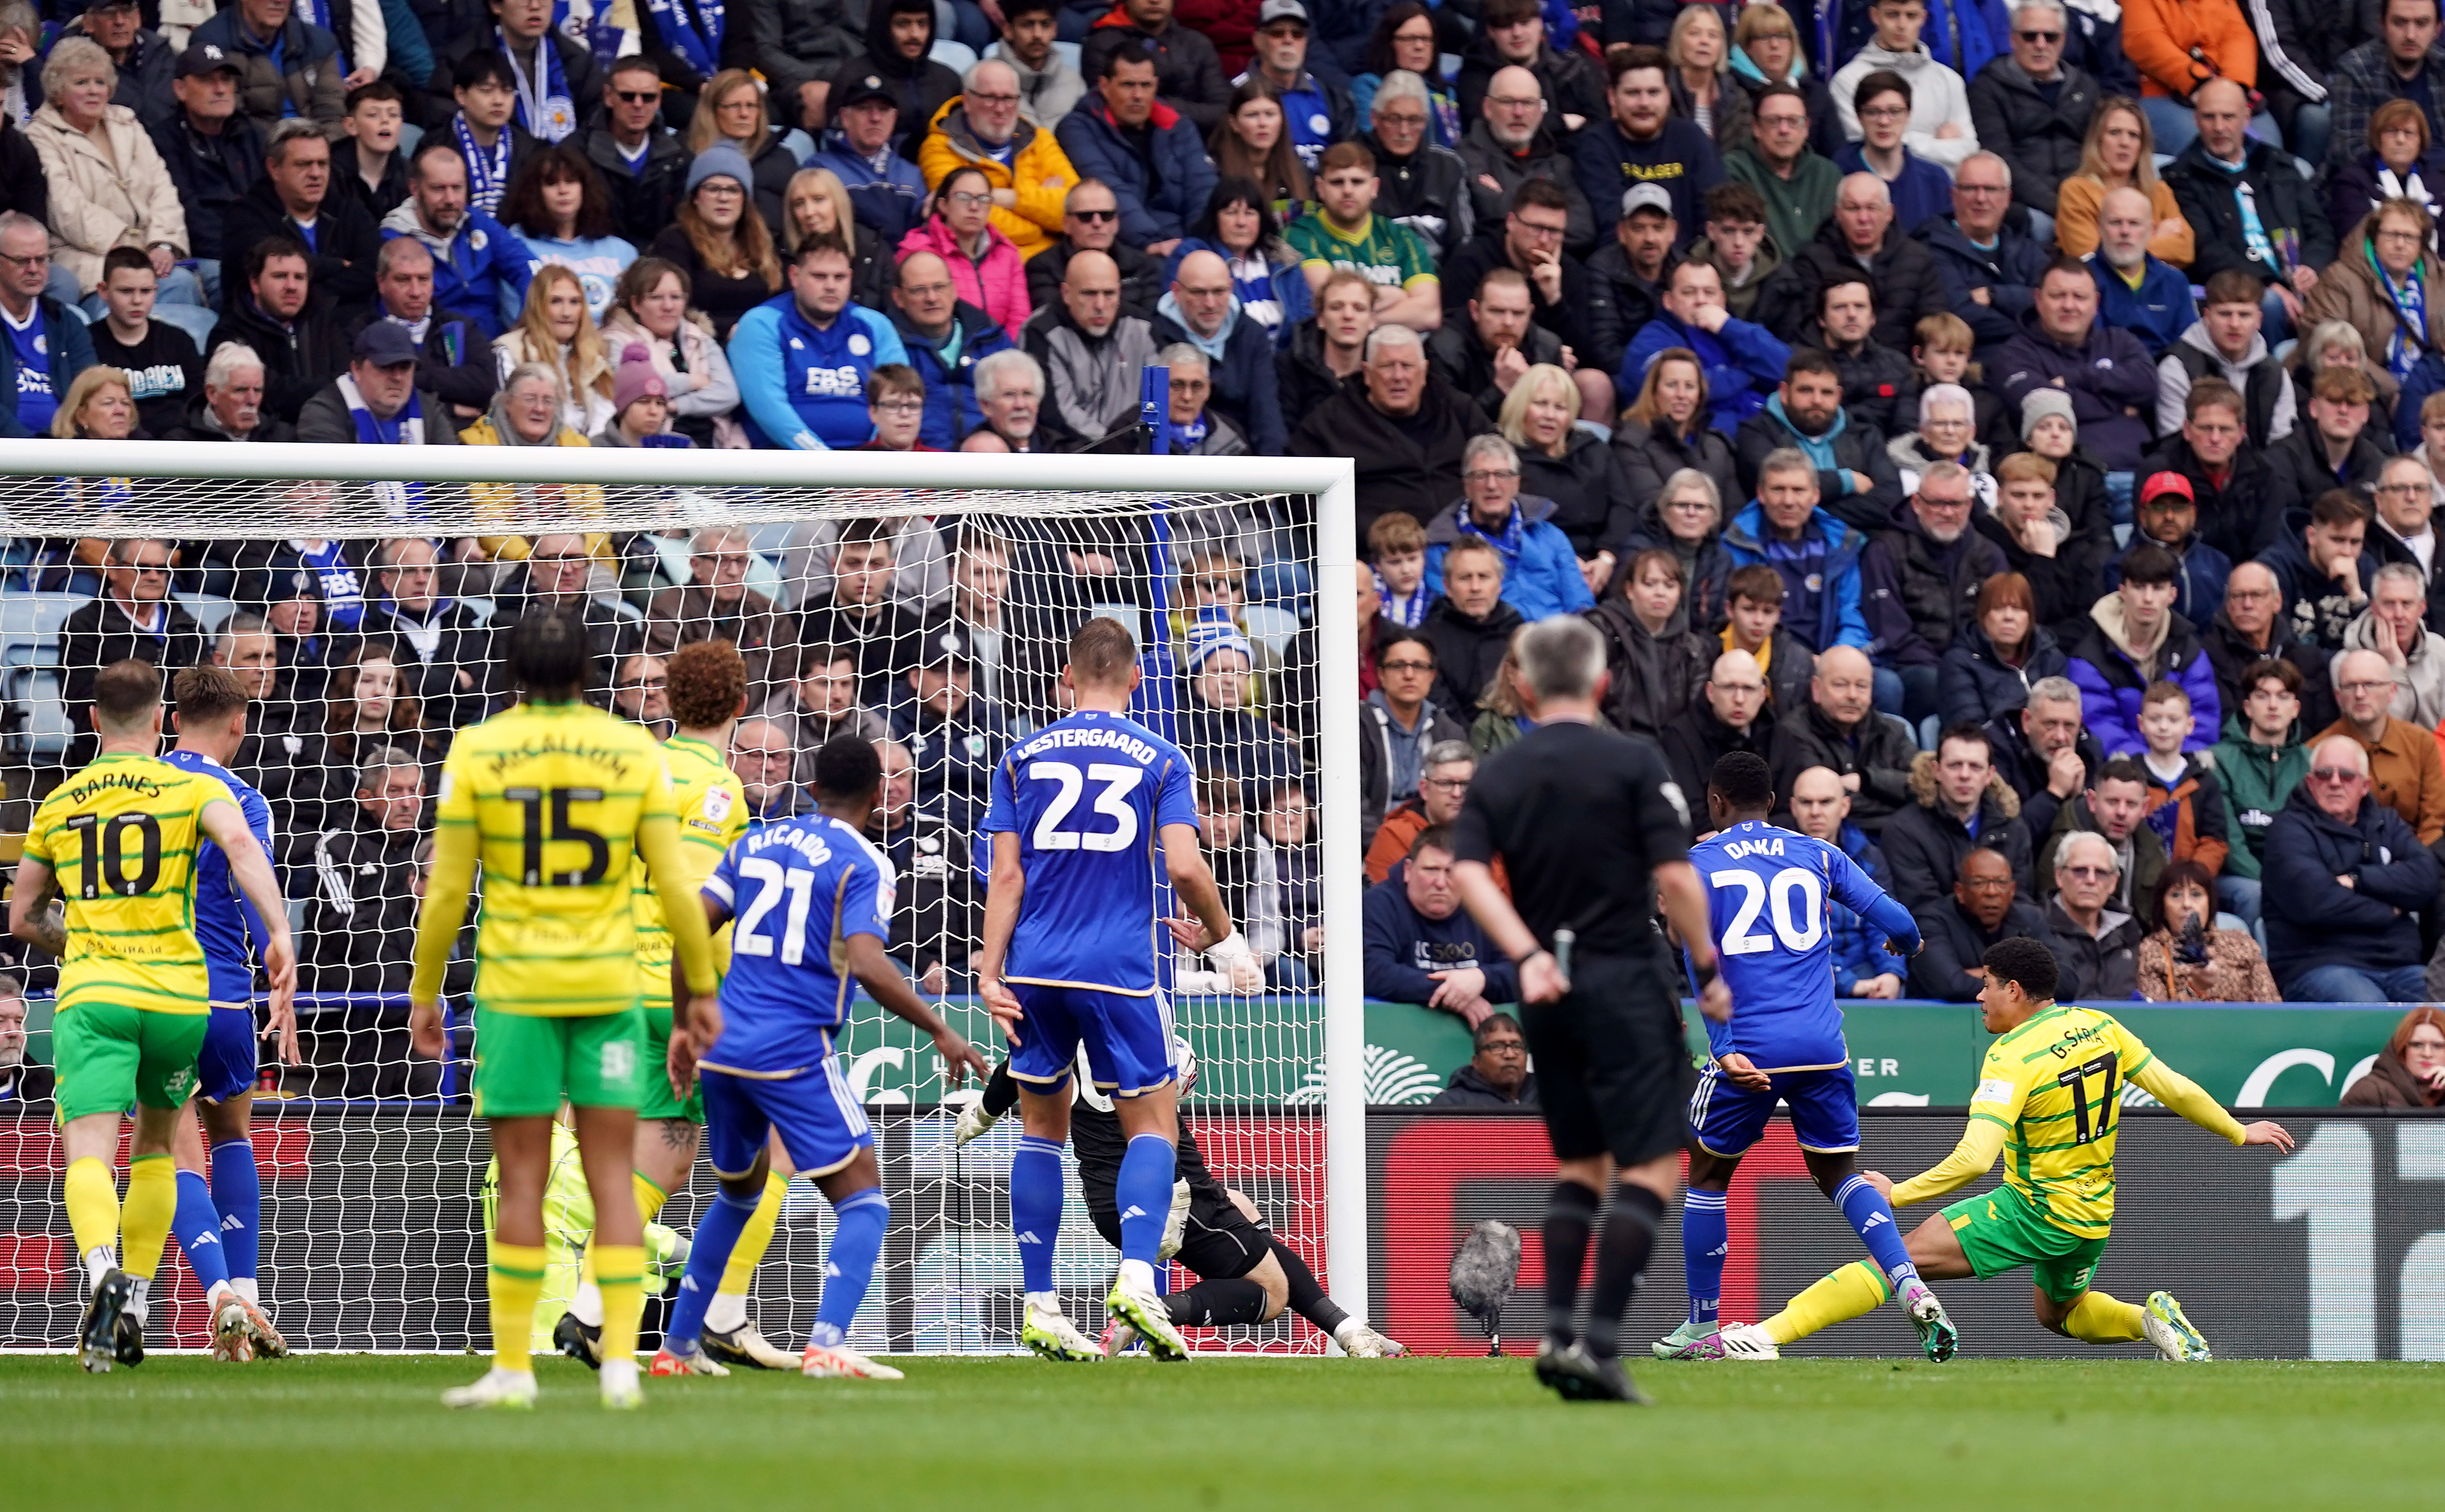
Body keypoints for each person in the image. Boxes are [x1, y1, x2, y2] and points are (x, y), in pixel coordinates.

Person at [403, 608, 721, 1410]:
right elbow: (677, 886)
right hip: (610, 988)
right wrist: (701, 995)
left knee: (522, 1181)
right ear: (590, 675)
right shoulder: (630, 751)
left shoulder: (477, 749)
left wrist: (425, 987)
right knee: (615, 1176)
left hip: (516, 992)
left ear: (511, 673)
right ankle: (618, 1362)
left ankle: (513, 1367)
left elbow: (446, 889)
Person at [1724, 936, 2292, 1361]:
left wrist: (1898, 1192)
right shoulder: (2100, 1024)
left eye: (1988, 983)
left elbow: (1975, 1159)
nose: (1980, 994)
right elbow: (2176, 1087)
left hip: (2036, 1208)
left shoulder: (2011, 1057)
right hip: (2092, 1214)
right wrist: (2239, 1130)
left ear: (2014, 990)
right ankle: (2151, 1322)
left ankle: (1765, 1335)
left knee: (1895, 1259)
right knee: (2059, 1313)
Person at [1444, 614, 1724, 1403]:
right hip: (1628, 981)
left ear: (1524, 687)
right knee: (1654, 1165)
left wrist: (1526, 955)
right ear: (1603, 684)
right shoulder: (1635, 762)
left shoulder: (1500, 771)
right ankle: (1597, 1340)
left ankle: (1559, 1333)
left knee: (1581, 1167)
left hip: (1550, 990)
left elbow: (1467, 876)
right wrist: (1706, 966)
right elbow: (1677, 879)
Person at [969, 616, 1258, 1362]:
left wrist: (989, 969)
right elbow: (1186, 867)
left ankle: (1040, 1304)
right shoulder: (1162, 758)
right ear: (1136, 679)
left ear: (1067, 678)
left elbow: (1006, 876)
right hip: (1119, 969)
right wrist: (1227, 940)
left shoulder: (1020, 756)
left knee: (1040, 1130)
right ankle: (1136, 1275)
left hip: (1034, 965)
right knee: (1153, 1127)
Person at [8, 658, 295, 1373]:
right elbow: (241, 847)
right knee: (161, 1150)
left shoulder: (61, 801)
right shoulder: (193, 786)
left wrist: (83, 936)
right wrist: (279, 931)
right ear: (159, 713)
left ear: (95, 719)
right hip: (179, 994)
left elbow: (23, 915)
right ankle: (137, 1302)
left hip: (99, 992)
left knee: (91, 1151)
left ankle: (106, 1271)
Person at [1656, 749, 1941, 1363]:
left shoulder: (1695, 864)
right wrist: (1907, 943)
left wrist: (1724, 1047)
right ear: (1776, 800)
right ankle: (1908, 1280)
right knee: (1840, 1173)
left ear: (1715, 802)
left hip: (1751, 1045)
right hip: (1821, 1045)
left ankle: (1702, 1327)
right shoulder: (1817, 851)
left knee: (1707, 1175)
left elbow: (1695, 959)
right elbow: (1897, 918)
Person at [2262, 734, 2441, 999]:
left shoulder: (2388, 823)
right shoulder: (2288, 830)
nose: (2335, 782)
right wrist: (2391, 909)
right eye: (2324, 774)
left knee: (2438, 1007)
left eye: (2346, 775)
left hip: (2399, 965)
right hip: (2320, 965)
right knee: (2370, 1008)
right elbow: (2316, 902)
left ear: (2365, 786)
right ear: (2310, 782)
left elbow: (2426, 878)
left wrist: (2359, 879)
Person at [2166, 79, 2336, 342]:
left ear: (2247, 118)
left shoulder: (2278, 164)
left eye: (2228, 117)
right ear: (2196, 120)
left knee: (2347, 297)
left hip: (2298, 278)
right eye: (2209, 117)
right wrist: (2269, 283)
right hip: (2239, 288)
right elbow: (2206, 250)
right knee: (2267, 304)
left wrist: (2312, 268)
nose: (2219, 127)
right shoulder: (2181, 177)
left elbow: (2320, 229)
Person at [1290, 323, 1492, 545]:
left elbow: (1502, 463)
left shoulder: (1457, 408)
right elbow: (1297, 496)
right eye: (1387, 366)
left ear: (1424, 372)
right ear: (1367, 374)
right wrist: (1346, 547)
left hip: (1465, 547)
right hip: (1376, 557)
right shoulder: (1330, 422)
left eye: (1407, 366)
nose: (1398, 376)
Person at [729, 237, 908, 451]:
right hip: (785, 466)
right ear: (795, 277)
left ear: (850, 278)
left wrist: (872, 452)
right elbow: (768, 408)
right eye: (819, 277)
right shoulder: (761, 324)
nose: (831, 286)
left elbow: (899, 399)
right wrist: (823, 462)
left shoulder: (876, 326)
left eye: (839, 277)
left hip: (869, 464)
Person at [1756, 174, 1950, 361]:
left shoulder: (1917, 258)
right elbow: (1806, 328)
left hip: (1902, 371)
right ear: (1837, 213)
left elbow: (1932, 324)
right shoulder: (1812, 260)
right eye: (1853, 209)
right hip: (1832, 369)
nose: (1863, 219)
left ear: (1889, 213)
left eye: (1872, 208)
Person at [1056, 44, 1217, 257]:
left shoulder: (1179, 126)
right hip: (1122, 245)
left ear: (1156, 86)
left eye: (1146, 85)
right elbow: (1111, 190)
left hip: (1184, 242)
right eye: (1128, 85)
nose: (1138, 95)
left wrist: (1197, 245)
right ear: (1105, 86)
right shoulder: (1078, 128)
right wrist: (1152, 243)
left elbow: (1203, 188)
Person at [1997, 256, 2156, 470]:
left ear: (2096, 303)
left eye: (2080, 297)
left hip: (2141, 474)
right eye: (2058, 296)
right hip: (2072, 480)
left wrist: (2078, 379)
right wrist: (2119, 404)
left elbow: (2148, 385)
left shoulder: (2119, 341)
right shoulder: (2015, 354)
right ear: (2038, 299)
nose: (2069, 306)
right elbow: (2042, 409)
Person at [1717, 447, 1873, 658]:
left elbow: (1852, 616)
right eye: (1778, 490)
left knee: (1886, 685)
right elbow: (1732, 619)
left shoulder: (1840, 544)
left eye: (1798, 490)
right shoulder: (1737, 544)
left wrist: (1835, 659)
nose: (1788, 502)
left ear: (1815, 495)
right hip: (1763, 660)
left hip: (1829, 661)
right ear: (1761, 494)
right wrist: (1798, 663)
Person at [222, 118, 382, 323]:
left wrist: (313, 292)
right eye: (304, 164)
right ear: (274, 168)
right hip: (267, 333)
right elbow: (265, 270)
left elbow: (374, 271)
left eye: (323, 164)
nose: (316, 174)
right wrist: (339, 265)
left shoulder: (350, 211)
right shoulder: (244, 216)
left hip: (348, 327)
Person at [917, 59, 1076, 263]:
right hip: (989, 265)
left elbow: (1077, 208)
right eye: (990, 98)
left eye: (1009, 99)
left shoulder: (1040, 139)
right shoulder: (940, 147)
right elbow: (967, 216)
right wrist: (1039, 225)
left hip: (1058, 264)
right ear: (967, 101)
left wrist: (1008, 199)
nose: (1001, 109)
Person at [1362, 823, 1520, 1024]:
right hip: (1396, 1029)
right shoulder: (1380, 903)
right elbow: (1373, 971)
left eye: (1451, 871)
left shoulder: (1485, 904)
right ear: (1408, 870)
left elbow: (1523, 970)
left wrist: (1481, 979)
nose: (1440, 883)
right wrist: (1454, 993)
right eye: (1431, 870)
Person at [381, 141, 537, 341]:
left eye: (457, 188)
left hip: (495, 341)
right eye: (438, 189)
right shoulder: (396, 238)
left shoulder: (475, 221)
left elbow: (527, 266)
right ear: (415, 189)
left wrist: (526, 323)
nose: (450, 199)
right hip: (437, 346)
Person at [1966, 0, 2101, 229]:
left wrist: (2087, 200)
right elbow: (2001, 161)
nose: (2041, 45)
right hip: (2027, 202)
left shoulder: (2085, 87)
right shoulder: (1988, 86)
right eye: (2030, 36)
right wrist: (2061, 207)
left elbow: (2099, 152)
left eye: (2051, 37)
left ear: (2063, 40)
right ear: (2013, 39)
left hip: (2085, 195)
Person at [1284, 140, 1440, 332]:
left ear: (1374, 188)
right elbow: (1331, 301)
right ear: (1320, 188)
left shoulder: (1401, 237)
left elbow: (1429, 314)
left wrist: (1361, 320)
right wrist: (1397, 296)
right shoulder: (1300, 234)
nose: (1348, 191)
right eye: (1337, 182)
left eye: (1357, 182)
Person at [146, 42, 264, 292]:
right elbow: (187, 211)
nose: (221, 89)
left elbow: (269, 200)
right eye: (207, 81)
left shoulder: (252, 133)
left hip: (261, 248)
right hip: (208, 254)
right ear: (180, 89)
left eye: (226, 80)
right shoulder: (163, 140)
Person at [1881, 723, 2035, 907]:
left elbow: (2021, 902)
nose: (1964, 775)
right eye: (1955, 765)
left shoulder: (2013, 828)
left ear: (1990, 775)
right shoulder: (1904, 831)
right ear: (1937, 771)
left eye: (1975, 767)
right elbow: (1923, 908)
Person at [640, 146, 781, 344]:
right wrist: (731, 331)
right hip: (699, 346)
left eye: (733, 190)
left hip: (761, 345)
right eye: (713, 188)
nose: (723, 198)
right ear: (696, 198)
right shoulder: (675, 243)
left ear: (745, 200)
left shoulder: (763, 245)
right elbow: (671, 309)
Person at [1022, 247, 1159, 450]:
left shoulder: (1142, 327)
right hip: (1071, 456)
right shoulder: (1041, 332)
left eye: (1109, 294)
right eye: (1089, 294)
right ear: (1066, 294)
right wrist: (1113, 446)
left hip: (1136, 452)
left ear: (1120, 292)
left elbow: (1157, 397)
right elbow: (1057, 413)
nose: (1100, 305)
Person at [1773, 644, 1919, 833]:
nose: (1852, 695)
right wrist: (1897, 806)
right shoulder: (1793, 733)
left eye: (1861, 686)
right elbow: (1824, 807)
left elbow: (1923, 786)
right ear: (1816, 689)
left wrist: (1868, 780)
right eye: (1840, 685)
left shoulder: (1893, 731)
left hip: (1893, 839)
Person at [1154, 246, 1285, 452]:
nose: (1210, 303)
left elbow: (1266, 414)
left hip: (1237, 456)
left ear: (1231, 288)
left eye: (1219, 291)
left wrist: (1274, 476)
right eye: (1198, 292)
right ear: (1176, 292)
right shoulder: (1152, 334)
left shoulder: (1252, 335)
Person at [1459, 63, 1595, 256]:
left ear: (1541, 112)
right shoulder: (1464, 158)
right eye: (1507, 102)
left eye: (1528, 103)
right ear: (1488, 108)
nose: (1519, 113)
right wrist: (1552, 224)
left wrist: (1504, 197)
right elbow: (1486, 212)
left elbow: (1584, 229)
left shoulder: (1559, 165)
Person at [2316, 644, 2445, 843]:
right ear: (2338, 697)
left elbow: (2435, 822)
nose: (2360, 694)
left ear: (2392, 691)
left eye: (2370, 684)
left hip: (2419, 860)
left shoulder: (2421, 744)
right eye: (2350, 686)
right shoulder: (2317, 751)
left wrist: (2416, 865)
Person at [2155, 273, 2298, 450]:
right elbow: (2174, 443)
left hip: (2263, 472)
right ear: (2207, 317)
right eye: (2225, 314)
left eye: (2244, 315)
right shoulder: (2176, 366)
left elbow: (2283, 446)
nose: (2235, 324)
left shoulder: (2275, 373)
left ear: (2259, 320)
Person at [184, 0, 345, 142]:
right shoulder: (213, 44)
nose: (278, 1)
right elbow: (231, 120)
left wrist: (320, 153)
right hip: (254, 156)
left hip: (316, 152)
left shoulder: (318, 41)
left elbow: (333, 113)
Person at [83, 250, 200, 436]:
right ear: (103, 291)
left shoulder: (179, 341)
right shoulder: (85, 344)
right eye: (126, 291)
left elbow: (197, 407)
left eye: (146, 291)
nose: (137, 301)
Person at [1723, 81, 1840, 266]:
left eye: (1793, 121)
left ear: (1806, 128)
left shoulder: (1828, 174)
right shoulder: (1733, 170)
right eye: (1773, 121)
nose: (1784, 130)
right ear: (1756, 128)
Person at [1614, 350, 1742, 516]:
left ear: (1699, 395)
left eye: (1689, 386)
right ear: (1654, 392)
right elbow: (1653, 509)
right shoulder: (1632, 443)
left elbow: (1735, 512)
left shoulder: (1717, 446)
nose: (1681, 395)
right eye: (1672, 385)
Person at [2325, 0, 2445, 176]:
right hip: (2375, 185)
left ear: (2438, 29)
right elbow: (2350, 153)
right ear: (2382, 25)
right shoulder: (2356, 70)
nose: (2410, 35)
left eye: (2421, 24)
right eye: (2399, 23)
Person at [295, 321, 463, 445]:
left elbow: (454, 485)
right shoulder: (325, 411)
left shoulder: (428, 409)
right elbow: (337, 486)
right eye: (385, 367)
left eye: (405, 367)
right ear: (356, 369)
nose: (397, 377)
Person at [2137, 859, 2279, 1000]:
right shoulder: (2151, 950)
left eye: (2196, 894)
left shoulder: (2242, 944)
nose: (2187, 904)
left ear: (2210, 903)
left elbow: (2272, 1011)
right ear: (2163, 908)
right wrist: (2195, 989)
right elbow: (2156, 1019)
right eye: (2176, 895)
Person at [2260, 487, 2380, 653]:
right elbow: (2278, 646)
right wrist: (2337, 664)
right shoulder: (2276, 568)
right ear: (2312, 536)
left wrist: (2357, 596)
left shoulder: (2366, 568)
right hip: (2295, 673)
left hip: (2354, 674)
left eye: (2355, 542)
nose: (2347, 552)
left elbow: (2379, 646)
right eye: (2338, 540)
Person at [2107, 471, 2231, 628]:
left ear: (2193, 515)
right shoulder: (2121, 565)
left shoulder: (2219, 562)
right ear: (2143, 517)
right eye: (2159, 508)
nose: (2169, 516)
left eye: (2179, 507)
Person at [1658, 647, 1781, 801]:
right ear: (1710, 692)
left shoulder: (1779, 738)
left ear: (1763, 694)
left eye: (1749, 688)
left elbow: (1788, 810)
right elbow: (1692, 813)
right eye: (1729, 687)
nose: (1739, 699)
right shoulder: (1680, 738)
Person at [2326, 98, 2445, 238]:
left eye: (2408, 133)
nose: (2400, 139)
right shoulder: (2352, 182)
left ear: (2421, 141)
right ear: (2378, 138)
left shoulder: (2438, 185)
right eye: (2392, 131)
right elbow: (2356, 238)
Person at [1364, 736, 1475, 883]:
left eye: (1466, 784)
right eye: (1446, 783)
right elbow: (1383, 900)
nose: (1457, 793)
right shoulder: (1395, 835)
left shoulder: (1489, 833)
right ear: (1424, 789)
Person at [164, 342, 295, 442]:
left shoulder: (284, 439)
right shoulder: (179, 445)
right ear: (212, 394)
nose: (252, 401)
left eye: (258, 390)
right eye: (240, 390)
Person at [991, 0, 1089, 128]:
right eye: (1027, 25)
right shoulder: (983, 80)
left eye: (1045, 25)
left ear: (1054, 30)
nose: (1037, 34)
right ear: (1008, 30)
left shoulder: (1074, 83)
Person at [1427, 1012, 1537, 1107]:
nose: (1510, 1055)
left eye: (1517, 1046)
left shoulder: (1549, 1098)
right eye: (1497, 1047)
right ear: (1477, 1062)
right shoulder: (1451, 1104)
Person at [2341, 1005, 2445, 1104]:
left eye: (2438, 1046)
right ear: (2402, 1049)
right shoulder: (2370, 1092)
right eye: (2417, 1045)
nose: (2427, 1054)